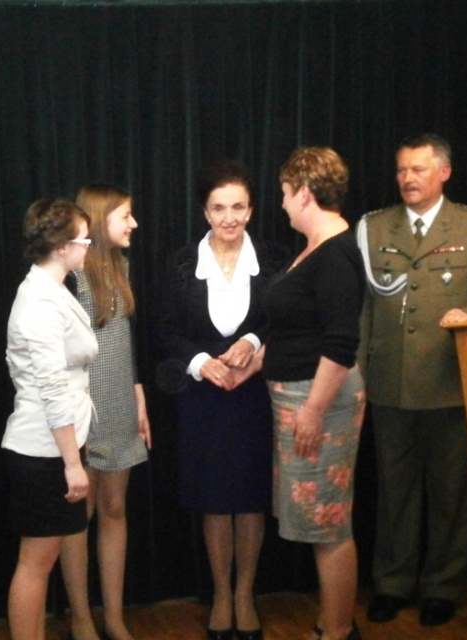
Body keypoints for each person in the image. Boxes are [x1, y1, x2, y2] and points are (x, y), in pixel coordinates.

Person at [356, 133, 467, 626]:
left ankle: (442, 587)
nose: (407, 179)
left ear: (443, 172)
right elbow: (363, 307)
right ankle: (392, 584)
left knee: (450, 493)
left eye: (418, 169)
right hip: (390, 382)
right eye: (402, 170)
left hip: (449, 382)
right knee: (394, 491)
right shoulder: (374, 227)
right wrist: (358, 374)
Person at [157, 160, 288, 640]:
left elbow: (281, 321)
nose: (229, 217)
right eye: (219, 208)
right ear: (205, 212)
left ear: (251, 210)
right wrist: (200, 363)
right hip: (203, 395)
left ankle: (245, 595)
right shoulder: (180, 263)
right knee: (215, 499)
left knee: (251, 498)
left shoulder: (273, 259)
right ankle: (220, 595)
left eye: (237, 207)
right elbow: (166, 330)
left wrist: (252, 342)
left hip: (255, 391)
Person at [262, 147, 366, 640]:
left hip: (319, 402)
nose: (282, 203)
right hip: (301, 397)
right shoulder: (316, 247)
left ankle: (339, 632)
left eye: (285, 193)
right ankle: (331, 624)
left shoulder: (335, 253)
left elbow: (341, 344)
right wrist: (256, 356)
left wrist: (313, 410)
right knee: (322, 520)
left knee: (329, 522)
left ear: (304, 192)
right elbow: (300, 327)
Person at [2, 199, 98, 640]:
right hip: (43, 452)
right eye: (83, 239)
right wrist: (72, 463)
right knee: (35, 564)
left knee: (40, 560)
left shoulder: (53, 288)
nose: (87, 246)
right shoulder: (40, 301)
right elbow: (52, 389)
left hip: (54, 446)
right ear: (61, 246)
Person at [59, 184, 151, 640]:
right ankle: (81, 618)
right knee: (81, 516)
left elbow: (124, 340)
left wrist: (138, 396)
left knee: (115, 508)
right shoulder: (71, 278)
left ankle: (113, 617)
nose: (134, 224)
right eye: (125, 216)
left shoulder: (122, 266)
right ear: (98, 221)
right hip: (82, 410)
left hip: (119, 405)